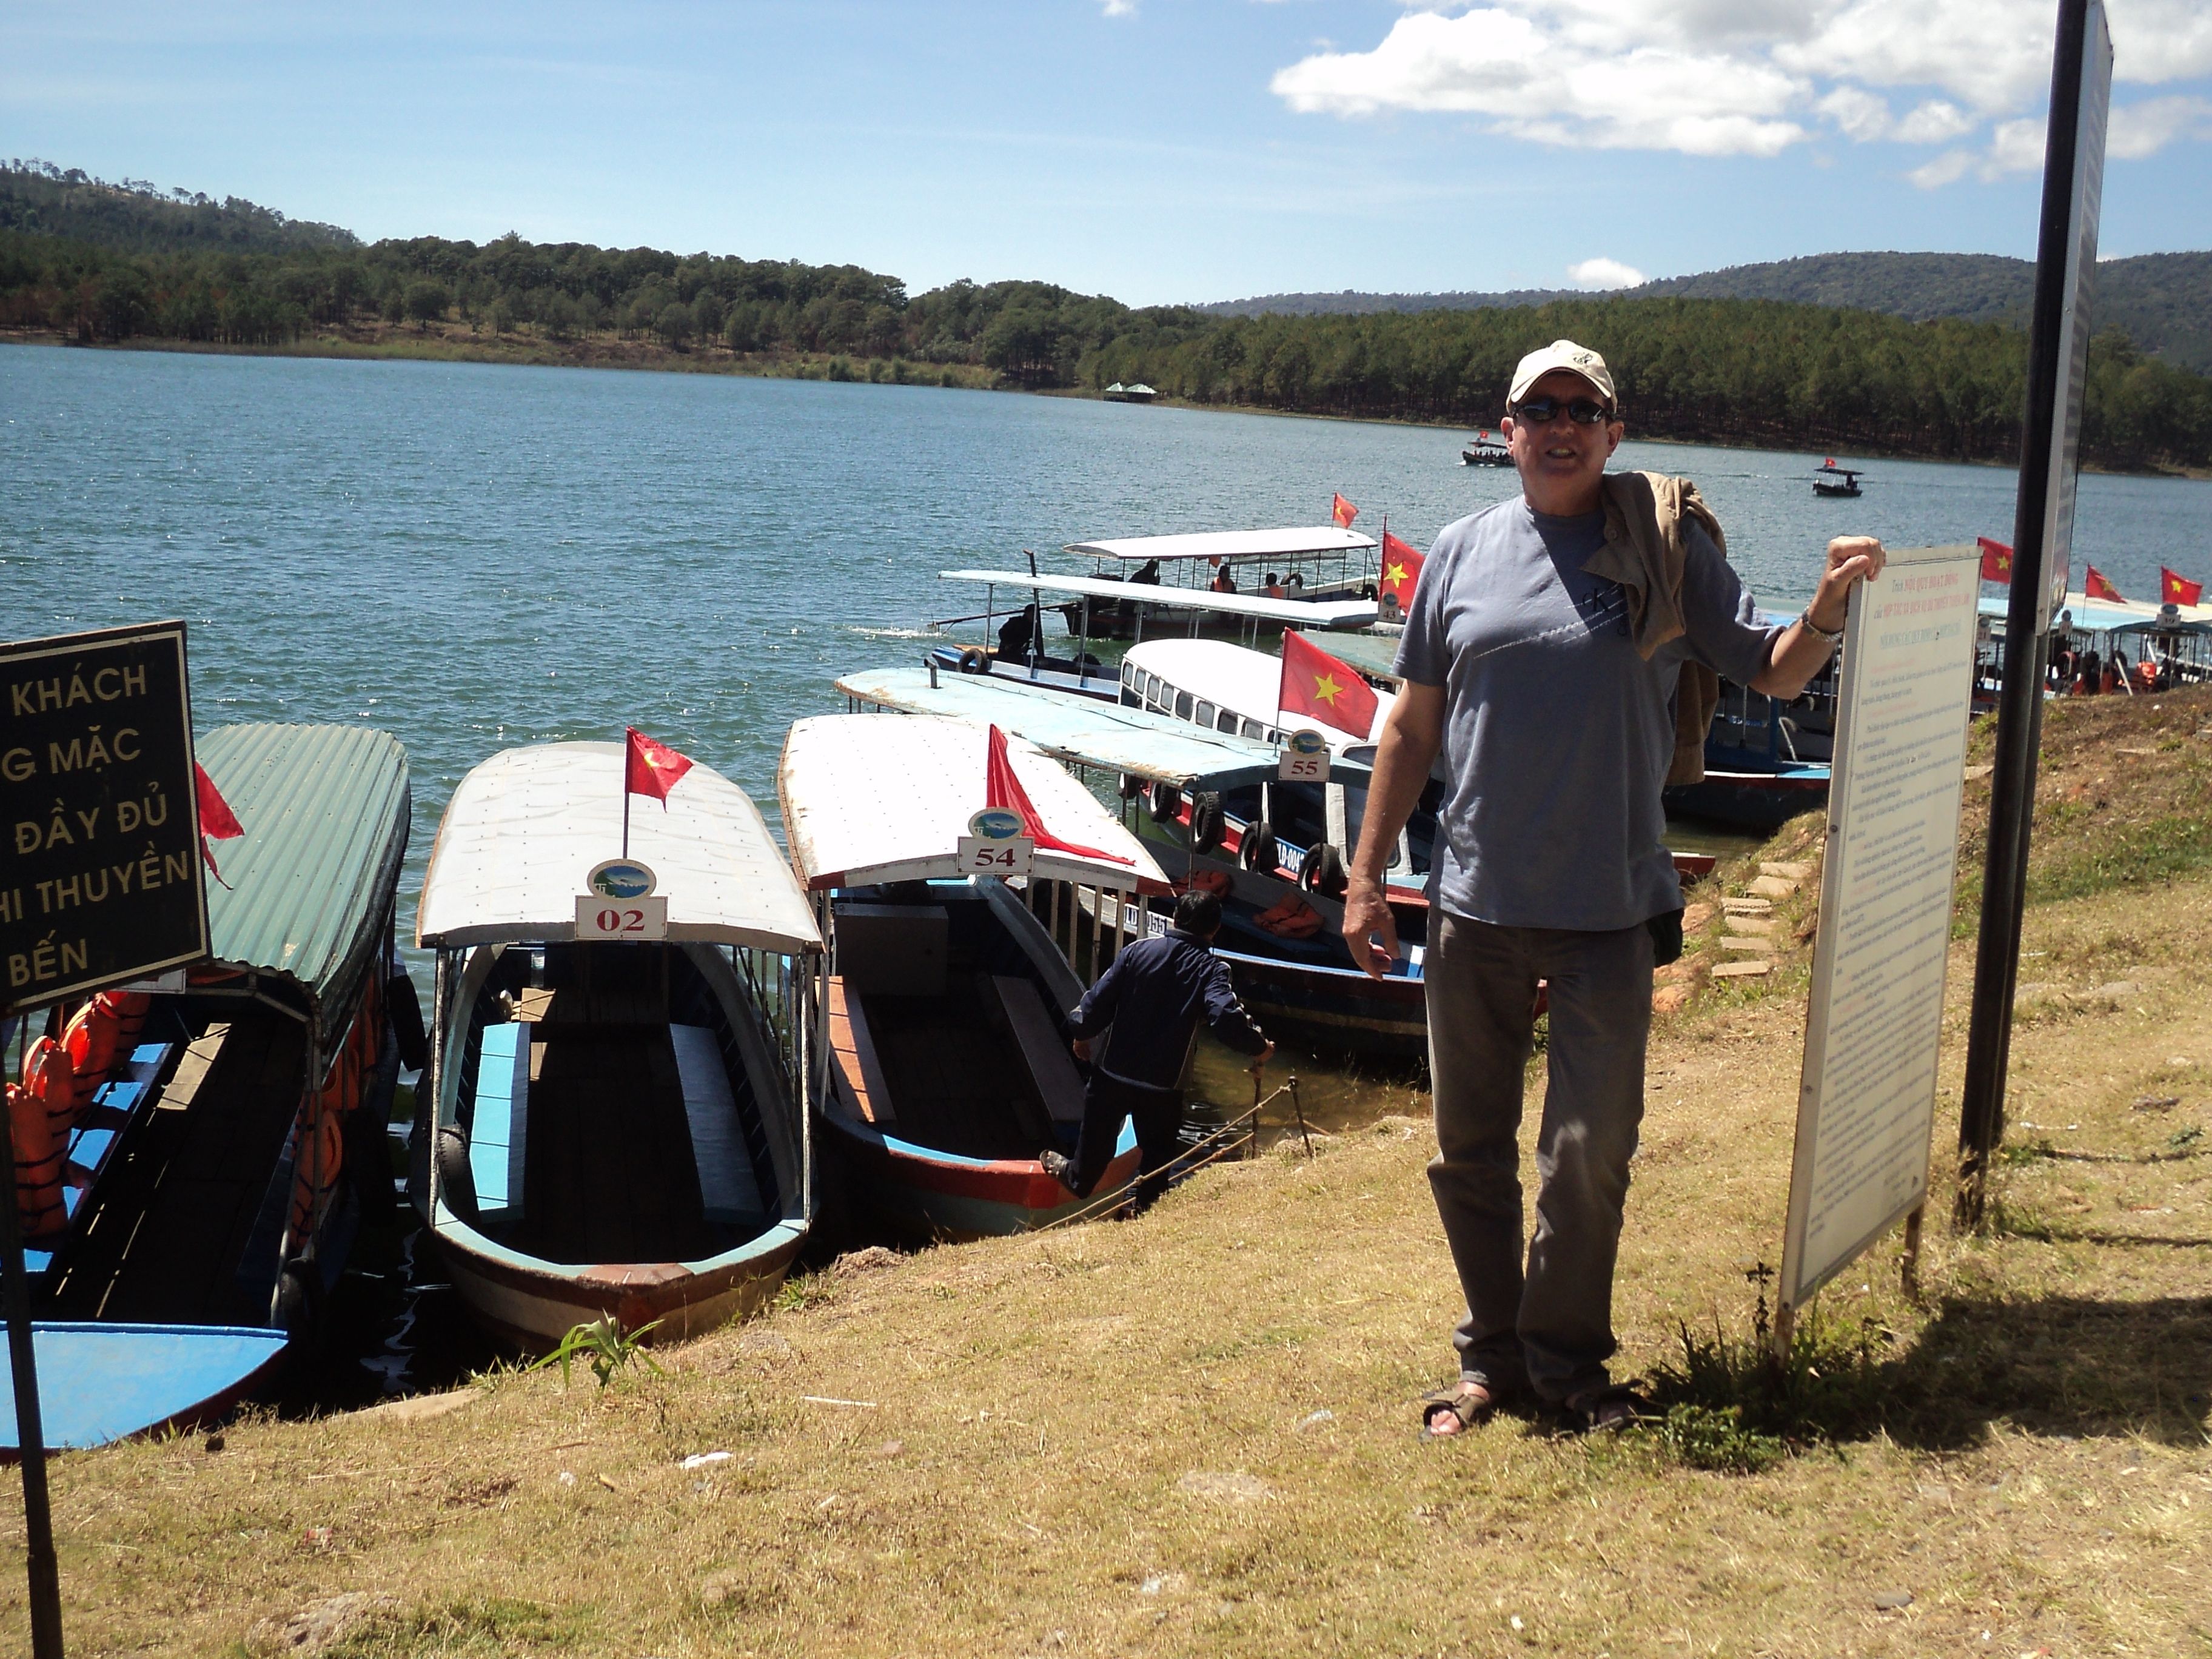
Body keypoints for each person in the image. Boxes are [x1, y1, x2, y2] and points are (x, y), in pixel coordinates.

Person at [1338, 338, 1885, 1437]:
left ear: (1611, 429)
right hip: (1472, 903)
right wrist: (1364, 878)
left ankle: (1569, 1366)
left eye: (1579, 408)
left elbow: (1770, 669)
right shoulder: (1456, 553)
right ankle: (1492, 1361)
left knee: (1588, 1152)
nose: (1557, 425)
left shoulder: (1664, 546)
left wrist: (1825, 611)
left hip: (1608, 912)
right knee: (1468, 1151)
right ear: (1506, 429)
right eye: (1536, 408)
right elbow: (1407, 723)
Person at [1045, 889, 1272, 1213]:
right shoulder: (1212, 970)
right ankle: (1146, 1207)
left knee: (1095, 1140)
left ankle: (1079, 1180)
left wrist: (1082, 1034)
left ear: (1175, 918)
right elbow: (1226, 1017)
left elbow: (1097, 1003)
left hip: (1113, 1073)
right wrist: (1259, 1048)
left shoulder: (1137, 952)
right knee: (1157, 1155)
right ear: (1215, 930)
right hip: (1163, 1086)